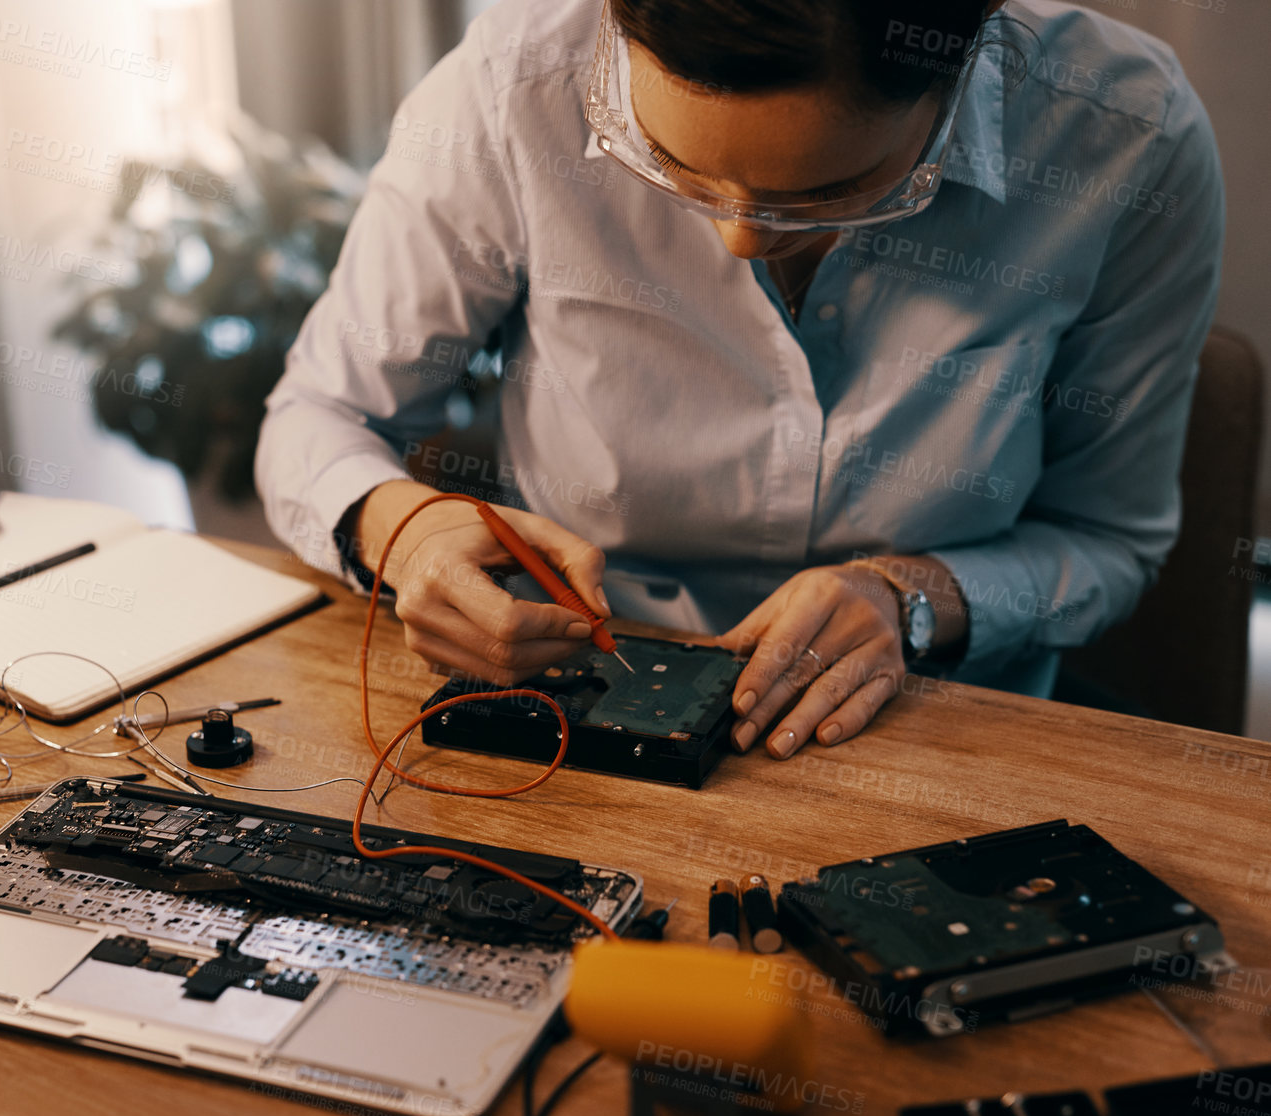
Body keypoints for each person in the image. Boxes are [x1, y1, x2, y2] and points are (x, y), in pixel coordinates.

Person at [255, 0, 1223, 758]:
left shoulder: (1122, 138)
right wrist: (405, 531)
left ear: (959, 58)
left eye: (832, 191)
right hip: (575, 718)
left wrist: (914, 598)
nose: (740, 238)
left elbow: (1107, 542)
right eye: (671, 167)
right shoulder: (513, 90)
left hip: (940, 733)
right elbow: (321, 415)